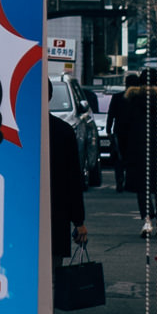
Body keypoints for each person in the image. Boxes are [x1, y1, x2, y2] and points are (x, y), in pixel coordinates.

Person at [113, 71, 157, 221]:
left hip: (138, 150)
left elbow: (122, 129)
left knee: (142, 186)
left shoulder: (130, 101)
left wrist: (124, 152)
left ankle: (147, 219)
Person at [49, 110, 88, 265]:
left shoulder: (13, 129)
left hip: (19, 220)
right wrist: (78, 221)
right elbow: (72, 178)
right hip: (56, 215)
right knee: (53, 276)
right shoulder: (63, 130)